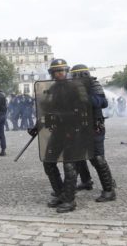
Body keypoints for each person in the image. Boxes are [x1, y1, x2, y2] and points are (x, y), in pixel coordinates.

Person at [28, 59, 81, 213]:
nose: (60, 73)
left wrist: (61, 116)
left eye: (62, 70)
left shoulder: (75, 88)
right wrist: (36, 127)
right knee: (49, 162)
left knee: (69, 165)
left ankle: (70, 200)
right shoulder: (52, 89)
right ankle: (60, 194)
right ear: (52, 73)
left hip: (72, 131)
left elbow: (83, 111)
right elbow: (46, 112)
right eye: (57, 71)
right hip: (58, 131)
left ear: (66, 71)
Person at [70, 64, 116, 202]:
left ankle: (109, 190)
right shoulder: (70, 87)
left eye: (75, 76)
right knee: (78, 156)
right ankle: (86, 181)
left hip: (94, 126)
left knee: (97, 158)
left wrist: (85, 97)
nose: (74, 78)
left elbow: (103, 102)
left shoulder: (94, 84)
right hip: (79, 126)